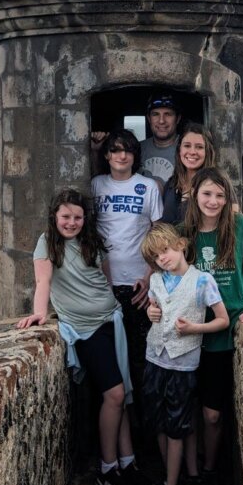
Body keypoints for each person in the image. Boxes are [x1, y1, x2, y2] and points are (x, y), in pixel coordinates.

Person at [17, 188, 149, 485]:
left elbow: (102, 278)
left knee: (123, 395)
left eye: (77, 217)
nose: (72, 222)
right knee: (114, 394)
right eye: (66, 216)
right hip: (85, 329)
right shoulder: (47, 244)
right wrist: (39, 312)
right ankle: (107, 470)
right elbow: (43, 283)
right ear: (54, 217)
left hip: (111, 320)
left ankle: (127, 463)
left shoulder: (90, 242)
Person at [180, 167, 243, 485]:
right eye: (207, 194)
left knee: (213, 415)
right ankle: (191, 478)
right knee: (187, 411)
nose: (213, 201)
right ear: (195, 196)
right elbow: (160, 270)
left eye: (220, 195)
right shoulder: (183, 232)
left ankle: (210, 470)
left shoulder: (239, 226)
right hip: (186, 335)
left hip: (223, 334)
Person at [140, 224, 229, 485]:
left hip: (183, 362)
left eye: (165, 250)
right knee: (160, 422)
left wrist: (194, 329)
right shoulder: (154, 280)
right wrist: (151, 312)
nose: (162, 258)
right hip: (155, 357)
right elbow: (155, 308)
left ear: (180, 245)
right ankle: (171, 478)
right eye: (155, 256)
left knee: (177, 426)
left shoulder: (202, 280)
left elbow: (222, 320)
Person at [91, 129, 163, 432]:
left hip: (138, 288)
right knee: (110, 363)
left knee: (140, 360)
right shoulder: (96, 184)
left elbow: (159, 235)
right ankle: (121, 433)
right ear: (107, 155)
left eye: (128, 151)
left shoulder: (147, 187)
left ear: (135, 156)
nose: (122, 156)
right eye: (116, 150)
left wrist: (150, 277)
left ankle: (144, 432)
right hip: (104, 287)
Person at [162, 122, 217, 223]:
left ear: (208, 151)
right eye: (187, 146)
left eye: (199, 147)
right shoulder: (170, 185)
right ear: (180, 150)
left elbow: (234, 225)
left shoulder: (219, 185)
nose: (192, 152)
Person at [139, 91, 182, 186]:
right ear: (149, 118)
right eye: (155, 114)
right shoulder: (136, 149)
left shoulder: (188, 149)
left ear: (178, 119)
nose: (161, 121)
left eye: (168, 114)